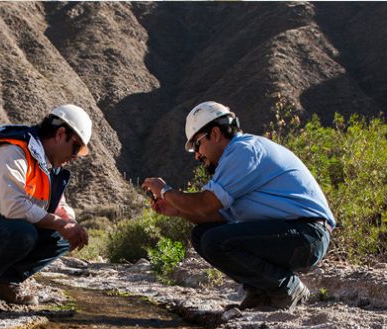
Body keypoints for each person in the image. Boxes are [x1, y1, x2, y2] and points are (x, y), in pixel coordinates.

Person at [142, 101, 335, 311]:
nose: (197, 155)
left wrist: (165, 191)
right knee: (202, 235)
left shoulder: (243, 152)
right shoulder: (237, 157)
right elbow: (217, 216)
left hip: (308, 237)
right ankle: (261, 292)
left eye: (197, 145)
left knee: (215, 240)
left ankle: (286, 287)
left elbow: (206, 205)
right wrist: (178, 210)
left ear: (215, 134)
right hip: (297, 235)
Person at [0, 104, 91, 307]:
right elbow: (12, 207)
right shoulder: (12, 150)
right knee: (24, 232)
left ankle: (6, 283)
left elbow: (58, 207)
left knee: (62, 236)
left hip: (5, 228)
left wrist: (70, 225)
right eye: (75, 147)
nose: (75, 156)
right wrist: (60, 223)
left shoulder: (49, 167)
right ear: (60, 134)